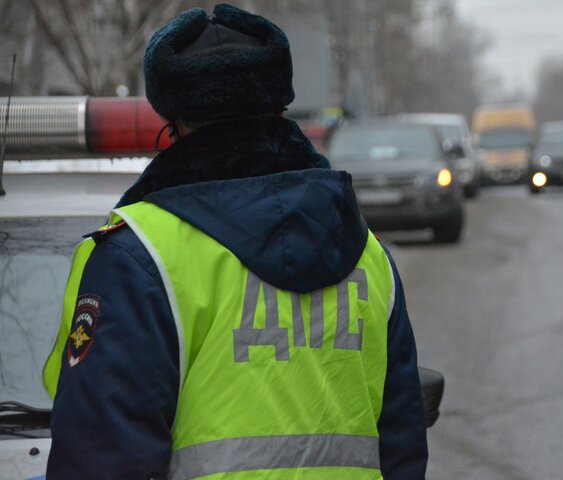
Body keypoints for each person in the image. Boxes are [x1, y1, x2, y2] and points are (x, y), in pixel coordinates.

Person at [43, 4, 428, 479]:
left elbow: (100, 457)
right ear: (280, 110)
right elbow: (403, 447)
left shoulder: (139, 256)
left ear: (175, 125)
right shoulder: (369, 256)